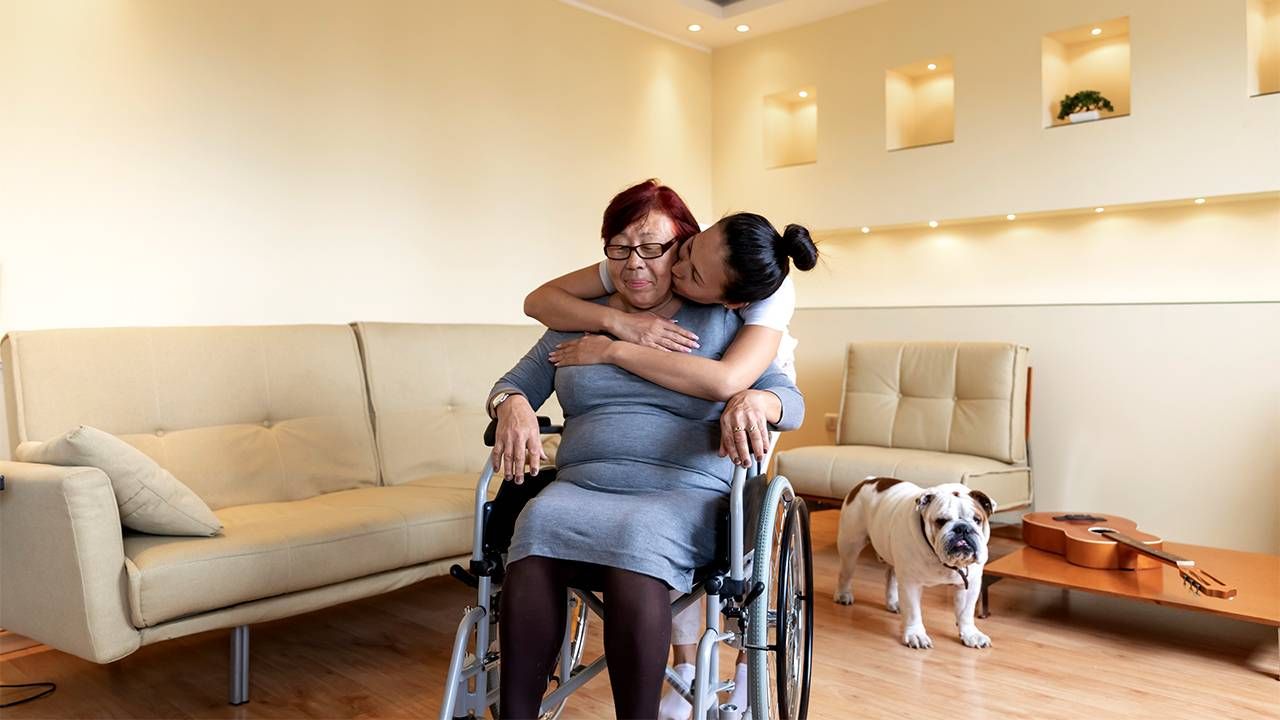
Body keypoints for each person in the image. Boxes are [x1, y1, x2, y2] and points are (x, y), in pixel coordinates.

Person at [488, 194, 805, 719]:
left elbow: (787, 399)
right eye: (621, 248)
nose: (635, 262)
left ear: (680, 249)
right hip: (583, 484)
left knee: (637, 535)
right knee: (538, 519)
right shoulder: (577, 319)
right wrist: (512, 405)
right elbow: (512, 381)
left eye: (653, 247)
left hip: (680, 493)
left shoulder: (725, 319)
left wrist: (756, 398)